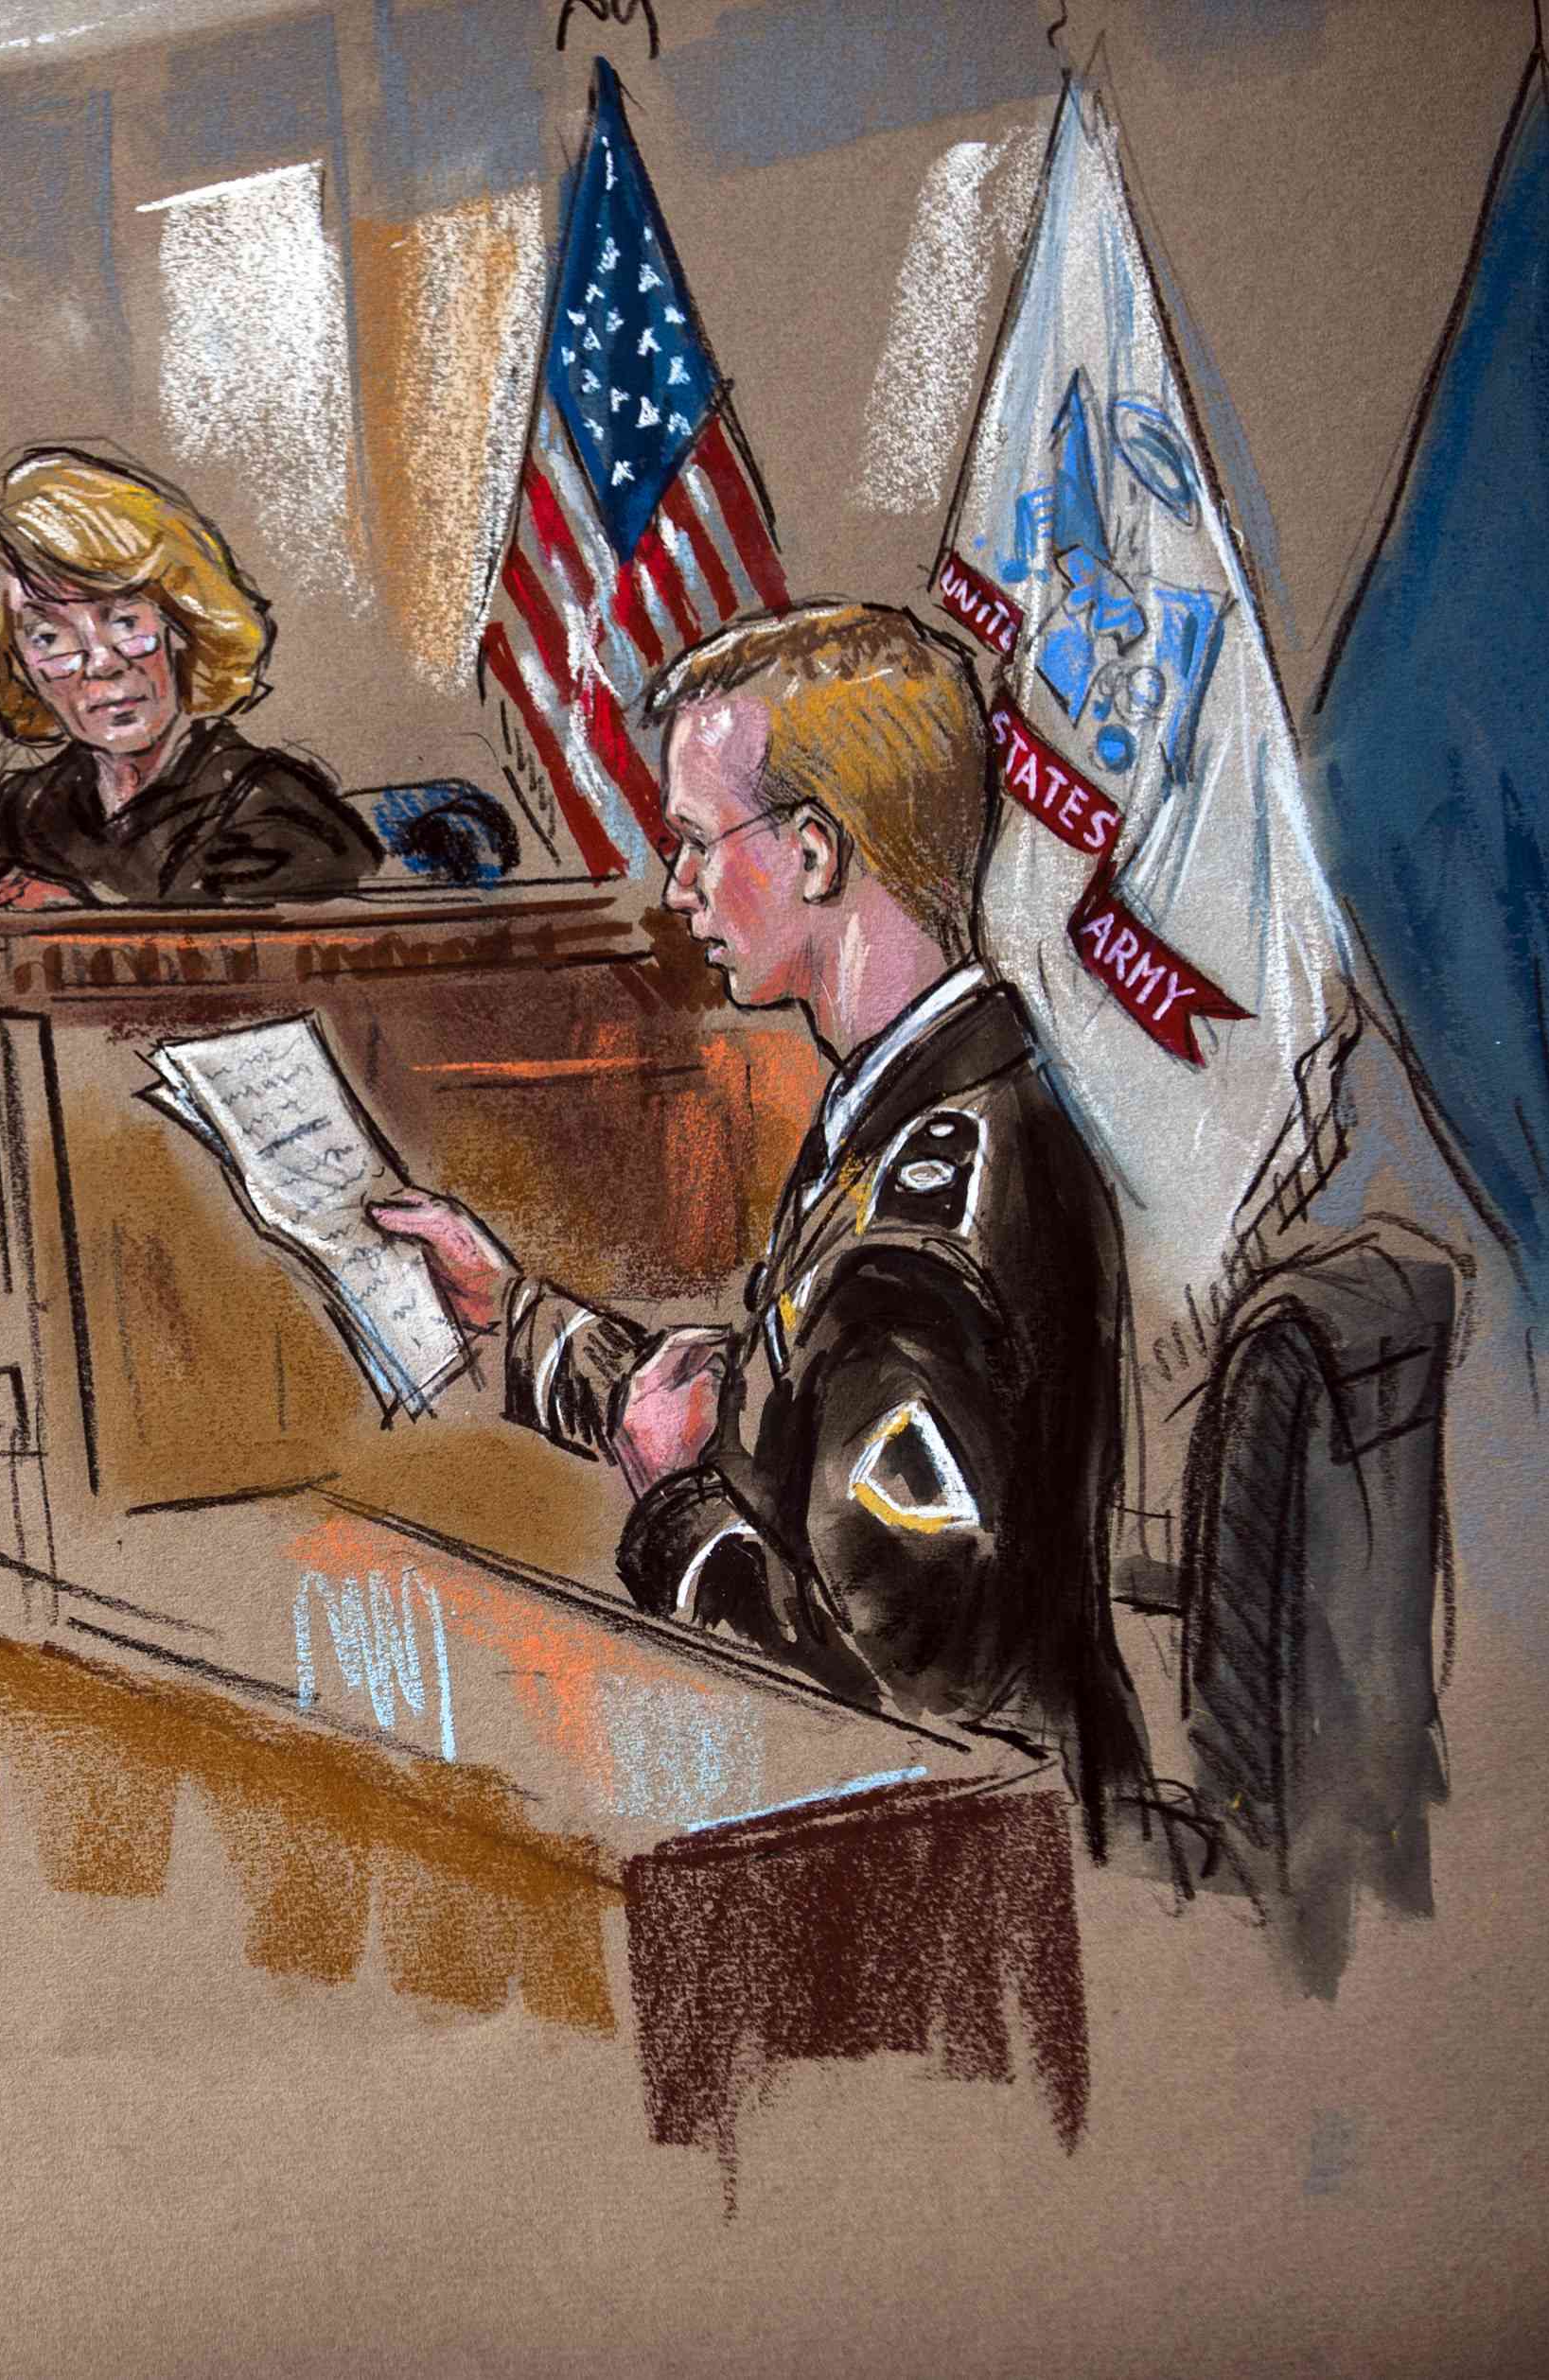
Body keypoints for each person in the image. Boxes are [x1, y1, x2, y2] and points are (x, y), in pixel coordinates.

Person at [370, 601, 1153, 1846]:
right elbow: (775, 1407)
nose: (676, 887)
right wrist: (513, 1313)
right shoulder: (921, 1110)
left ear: (814, 853)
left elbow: (886, 1703)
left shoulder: (917, 1240)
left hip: (983, 1856)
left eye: (694, 841)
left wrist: (678, 1503)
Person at [0, 446, 382, 907]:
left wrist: (84, 915)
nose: (101, 662)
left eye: (125, 621)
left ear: (182, 625)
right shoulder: (28, 808)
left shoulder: (268, 807)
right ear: (16, 665)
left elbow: (271, 948)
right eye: (48, 638)